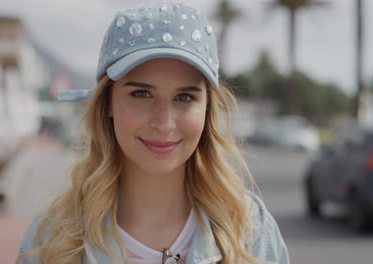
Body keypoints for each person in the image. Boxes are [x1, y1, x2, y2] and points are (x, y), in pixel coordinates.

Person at [17, 1, 290, 264]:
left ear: (208, 109)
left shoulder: (251, 230)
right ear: (108, 103)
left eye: (184, 97)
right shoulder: (53, 237)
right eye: (141, 93)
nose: (164, 123)